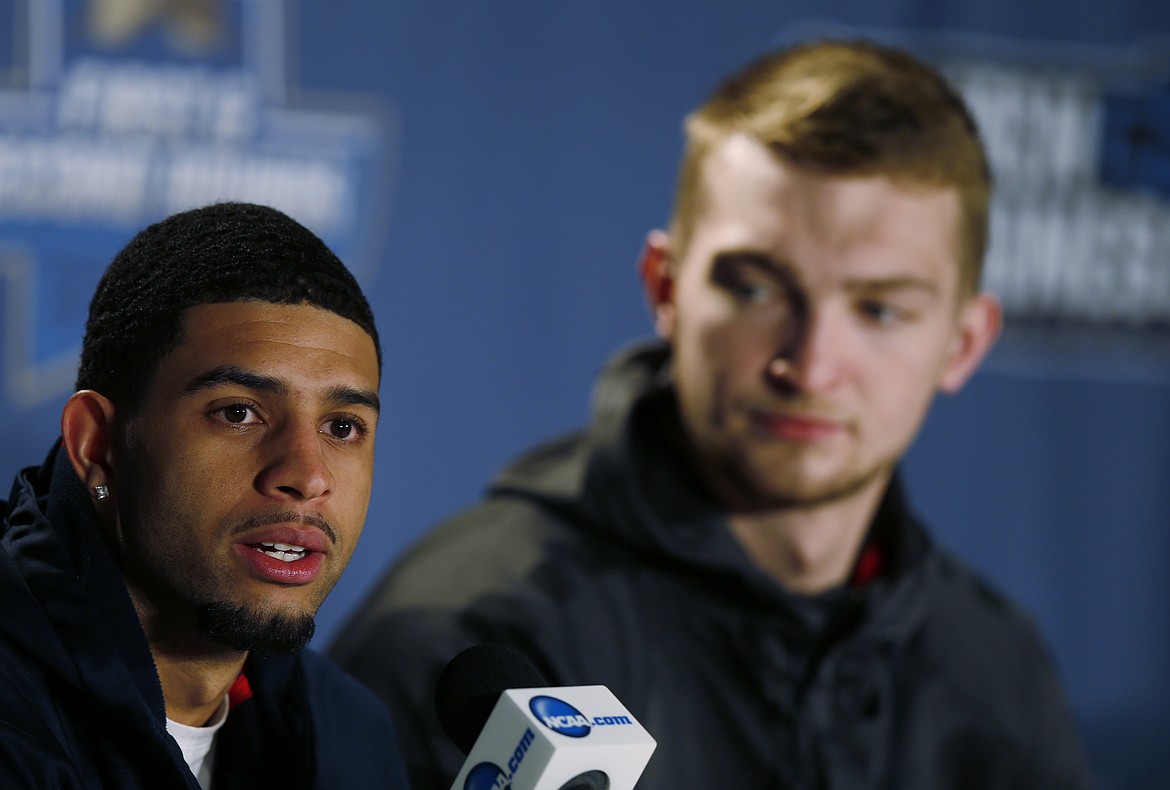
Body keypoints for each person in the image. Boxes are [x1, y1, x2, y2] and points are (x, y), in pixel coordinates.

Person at [330, 40, 1094, 789]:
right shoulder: (469, 643)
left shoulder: (996, 667)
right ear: (666, 289)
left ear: (962, 344)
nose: (811, 364)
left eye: (880, 309)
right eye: (757, 289)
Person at [0, 202, 410, 789]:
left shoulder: (348, 734)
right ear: (96, 444)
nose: (306, 475)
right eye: (239, 412)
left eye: (342, 427)